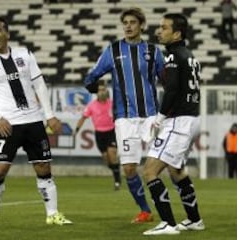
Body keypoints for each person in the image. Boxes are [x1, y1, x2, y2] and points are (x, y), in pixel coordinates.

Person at [0, 15, 72, 226]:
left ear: (7, 33)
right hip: (8, 124)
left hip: (34, 121)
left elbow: (40, 85)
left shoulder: (24, 54)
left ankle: (52, 214)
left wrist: (49, 114)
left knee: (43, 168)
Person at [84, 7, 164, 223]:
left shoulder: (153, 52)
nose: (128, 26)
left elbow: (167, 79)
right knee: (129, 168)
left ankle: (182, 211)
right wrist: (91, 83)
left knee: (170, 164)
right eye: (125, 23)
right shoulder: (113, 50)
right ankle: (145, 210)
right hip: (124, 118)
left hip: (151, 116)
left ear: (141, 25)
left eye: (132, 22)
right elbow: (93, 74)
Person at [142, 13, 205, 235]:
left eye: (164, 28)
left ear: (177, 33)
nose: (159, 31)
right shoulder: (190, 56)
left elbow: (172, 90)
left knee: (150, 171)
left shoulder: (172, 57)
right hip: (192, 118)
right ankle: (194, 220)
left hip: (178, 121)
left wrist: (159, 117)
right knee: (176, 170)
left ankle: (168, 224)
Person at [75, 83, 121, 190]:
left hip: (111, 132)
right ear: (97, 93)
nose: (102, 92)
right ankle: (115, 168)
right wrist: (77, 129)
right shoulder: (91, 105)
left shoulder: (112, 104)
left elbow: (120, 115)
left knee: (112, 154)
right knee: (106, 159)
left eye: (104, 90)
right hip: (99, 134)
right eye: (100, 90)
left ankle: (117, 181)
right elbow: (83, 118)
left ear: (106, 91)